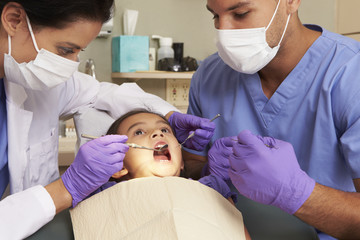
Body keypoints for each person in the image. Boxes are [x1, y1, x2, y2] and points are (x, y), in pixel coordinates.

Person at [0, 1, 215, 239]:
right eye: (64, 50)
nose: (72, 65)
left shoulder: (209, 193)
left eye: (79, 52)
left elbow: (101, 93)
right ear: (14, 20)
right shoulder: (103, 212)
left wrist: (169, 115)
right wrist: (66, 188)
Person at [184, 0, 360, 239]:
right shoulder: (209, 75)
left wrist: (294, 192)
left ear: (290, 2)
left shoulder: (349, 72)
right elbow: (190, 168)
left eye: (241, 13)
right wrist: (209, 170)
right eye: (215, 16)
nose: (223, 30)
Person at [96, 109, 251, 240]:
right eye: (139, 132)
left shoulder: (212, 188)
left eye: (165, 130)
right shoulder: (104, 194)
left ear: (182, 161)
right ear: (118, 166)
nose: (157, 133)